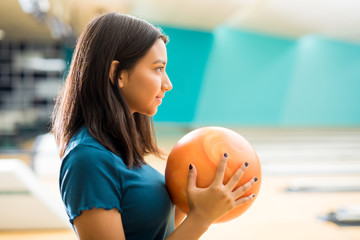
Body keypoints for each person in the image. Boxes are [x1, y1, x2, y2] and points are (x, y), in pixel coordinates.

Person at [52, 12, 258, 240]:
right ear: (116, 74)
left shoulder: (116, 149)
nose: (168, 84)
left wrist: (196, 196)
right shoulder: (87, 159)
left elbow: (156, 231)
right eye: (158, 68)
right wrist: (201, 218)